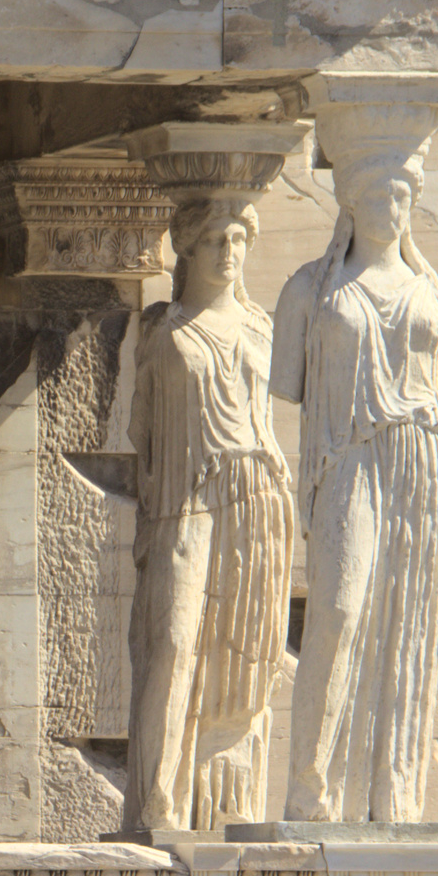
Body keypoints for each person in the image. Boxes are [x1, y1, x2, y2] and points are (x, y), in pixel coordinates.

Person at [273, 136, 438, 823]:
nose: (392, 207)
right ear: (350, 202)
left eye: (402, 196)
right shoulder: (311, 290)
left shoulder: (428, 289)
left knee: (405, 621)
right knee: (340, 609)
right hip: (346, 457)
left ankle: (391, 793)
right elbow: (286, 383)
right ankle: (309, 786)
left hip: (422, 459)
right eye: (378, 195)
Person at [127, 195, 294, 830]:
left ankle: (223, 802)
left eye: (238, 239)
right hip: (184, 500)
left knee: (243, 651)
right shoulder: (163, 330)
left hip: (256, 496)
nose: (229, 252)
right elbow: (140, 427)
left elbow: (266, 417)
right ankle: (156, 802)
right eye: (215, 240)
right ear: (188, 250)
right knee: (173, 641)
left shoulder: (261, 328)